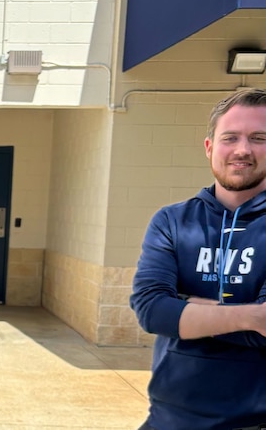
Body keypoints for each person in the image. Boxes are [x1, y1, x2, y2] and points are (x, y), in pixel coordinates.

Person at [131, 88, 266, 430]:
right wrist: (252, 315)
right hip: (167, 420)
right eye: (230, 137)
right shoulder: (172, 221)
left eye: (259, 138)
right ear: (210, 148)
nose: (242, 150)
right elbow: (152, 311)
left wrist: (187, 308)